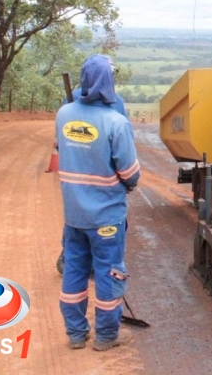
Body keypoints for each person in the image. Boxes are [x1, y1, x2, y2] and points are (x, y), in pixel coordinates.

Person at [55, 54, 141, 350]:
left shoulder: (63, 114)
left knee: (74, 270)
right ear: (108, 81)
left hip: (74, 215)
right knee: (109, 272)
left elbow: (63, 150)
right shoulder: (116, 121)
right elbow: (130, 173)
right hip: (106, 217)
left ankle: (76, 334)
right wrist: (128, 183)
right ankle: (106, 335)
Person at [56, 59, 128, 275]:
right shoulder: (117, 102)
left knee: (77, 217)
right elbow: (125, 145)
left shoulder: (70, 102)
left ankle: (70, 256)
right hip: (107, 175)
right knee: (112, 220)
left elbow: (61, 141)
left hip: (76, 175)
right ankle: (104, 265)